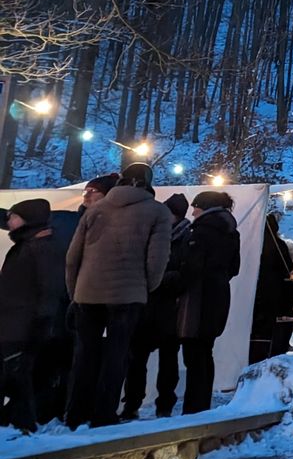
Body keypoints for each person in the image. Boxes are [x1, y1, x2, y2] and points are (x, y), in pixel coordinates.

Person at [64, 162, 172, 428]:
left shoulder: (96, 209)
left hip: (87, 291)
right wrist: (146, 287)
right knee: (117, 354)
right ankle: (104, 413)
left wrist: (75, 291)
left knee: (85, 354)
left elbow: (72, 257)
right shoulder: (158, 212)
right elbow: (157, 259)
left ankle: (76, 413)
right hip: (128, 293)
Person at [0, 199, 69, 433]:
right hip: (13, 321)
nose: (9, 221)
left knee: (19, 377)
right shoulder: (26, 244)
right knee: (14, 375)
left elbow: (49, 289)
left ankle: (24, 424)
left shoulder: (41, 248)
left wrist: (42, 324)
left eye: (13, 216)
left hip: (24, 324)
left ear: (26, 219)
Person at [122, 193, 191, 420]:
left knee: (168, 360)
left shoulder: (186, 238)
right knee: (136, 359)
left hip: (169, 307)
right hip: (145, 305)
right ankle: (132, 404)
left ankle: (165, 405)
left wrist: (156, 278)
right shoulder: (151, 234)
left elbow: (185, 274)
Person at [174, 192, 241, 415]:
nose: (193, 212)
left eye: (195, 207)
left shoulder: (201, 232)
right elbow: (234, 268)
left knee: (193, 353)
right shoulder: (231, 232)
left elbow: (192, 267)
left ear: (205, 207)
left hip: (198, 298)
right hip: (219, 295)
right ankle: (201, 405)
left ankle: (193, 408)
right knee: (205, 352)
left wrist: (175, 282)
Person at [249, 213, 293, 364]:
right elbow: (288, 267)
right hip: (279, 292)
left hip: (259, 292)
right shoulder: (279, 245)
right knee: (276, 327)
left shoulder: (256, 243)